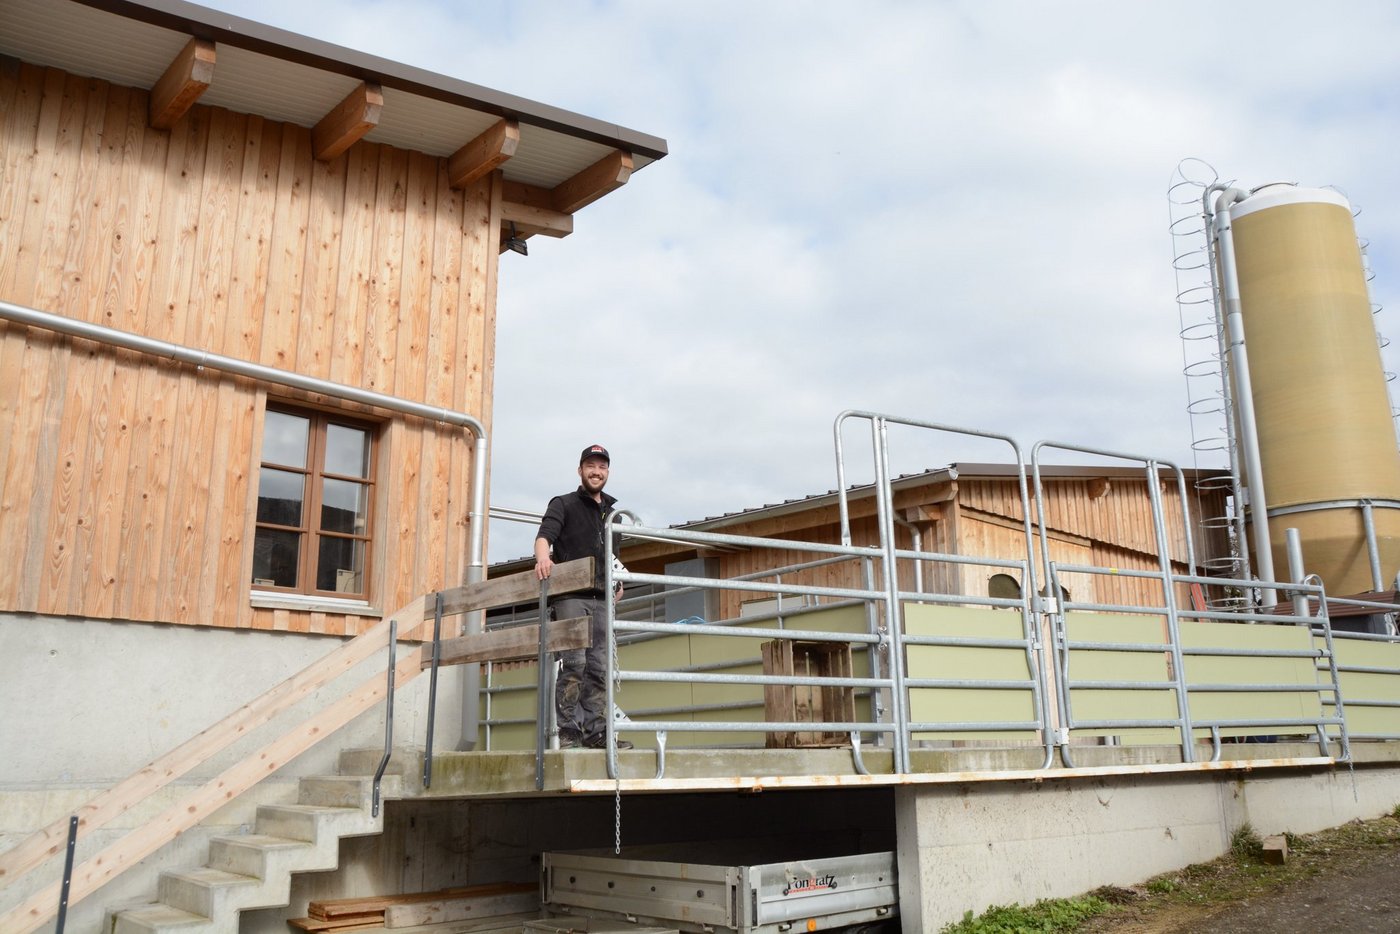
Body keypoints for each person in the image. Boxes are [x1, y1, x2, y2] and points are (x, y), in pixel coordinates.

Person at [534, 444, 632, 750]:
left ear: (607, 472)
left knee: (599, 667)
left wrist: (619, 582)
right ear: (580, 470)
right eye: (590, 466)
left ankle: (596, 733)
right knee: (574, 663)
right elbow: (543, 537)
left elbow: (613, 556)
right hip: (571, 597)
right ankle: (569, 733)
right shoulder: (563, 504)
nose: (596, 471)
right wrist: (542, 559)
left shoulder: (614, 514)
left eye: (602, 467)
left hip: (602, 600)